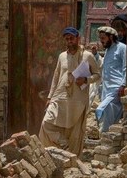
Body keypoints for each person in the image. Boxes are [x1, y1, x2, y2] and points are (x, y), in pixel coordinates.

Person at [39, 27, 100, 156]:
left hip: (78, 99)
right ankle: (61, 144)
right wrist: (50, 97)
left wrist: (86, 80)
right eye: (67, 39)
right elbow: (56, 77)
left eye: (71, 38)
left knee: (75, 132)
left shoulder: (87, 56)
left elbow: (98, 75)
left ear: (78, 38)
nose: (69, 41)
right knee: (47, 123)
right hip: (60, 96)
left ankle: (71, 162)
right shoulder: (62, 56)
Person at [95, 26, 127, 132]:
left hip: (116, 88)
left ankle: (105, 137)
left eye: (103, 38)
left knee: (103, 108)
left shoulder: (122, 48)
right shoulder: (108, 50)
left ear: (111, 37)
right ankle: (108, 138)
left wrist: (123, 85)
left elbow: (126, 67)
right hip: (106, 89)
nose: (101, 41)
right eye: (100, 38)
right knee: (108, 114)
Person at [88, 43, 104, 108]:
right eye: (92, 48)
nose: (93, 50)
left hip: (97, 78)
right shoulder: (89, 57)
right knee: (90, 93)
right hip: (90, 77)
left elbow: (99, 66)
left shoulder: (99, 58)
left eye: (95, 48)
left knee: (93, 93)